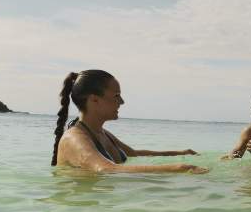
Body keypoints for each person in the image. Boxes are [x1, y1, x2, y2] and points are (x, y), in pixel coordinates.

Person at [52, 70, 208, 174]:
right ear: (94, 100)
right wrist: (180, 168)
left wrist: (180, 153)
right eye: (116, 96)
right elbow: (105, 169)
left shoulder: (102, 133)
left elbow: (134, 154)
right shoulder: (74, 139)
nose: (122, 101)